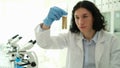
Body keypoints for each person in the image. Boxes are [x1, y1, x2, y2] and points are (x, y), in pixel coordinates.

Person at [34, 1, 120, 68]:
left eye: (85, 16)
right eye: (77, 17)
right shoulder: (70, 37)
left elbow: (116, 65)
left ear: (94, 17)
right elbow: (45, 43)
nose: (80, 22)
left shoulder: (112, 40)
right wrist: (47, 23)